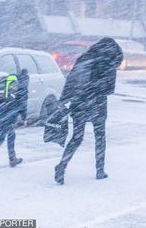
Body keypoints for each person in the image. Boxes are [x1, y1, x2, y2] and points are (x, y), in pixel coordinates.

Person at [54, 38, 123, 185]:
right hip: (97, 104)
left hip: (79, 103)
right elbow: (109, 89)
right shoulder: (108, 63)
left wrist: (64, 99)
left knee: (77, 138)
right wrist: (98, 88)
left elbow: (71, 80)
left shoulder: (84, 58)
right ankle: (99, 170)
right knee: (100, 138)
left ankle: (62, 165)